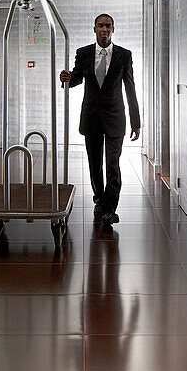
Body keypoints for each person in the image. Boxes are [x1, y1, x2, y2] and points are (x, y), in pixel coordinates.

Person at [60, 13, 140, 228]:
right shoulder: (84, 53)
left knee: (112, 164)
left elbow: (130, 88)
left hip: (115, 118)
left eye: (108, 26)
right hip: (92, 116)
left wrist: (136, 122)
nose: (104, 29)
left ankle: (110, 209)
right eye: (100, 26)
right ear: (94, 29)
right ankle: (99, 199)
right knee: (95, 164)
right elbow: (77, 77)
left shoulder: (124, 55)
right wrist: (67, 78)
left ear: (113, 29)